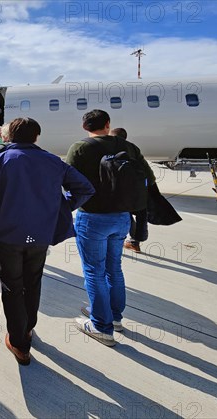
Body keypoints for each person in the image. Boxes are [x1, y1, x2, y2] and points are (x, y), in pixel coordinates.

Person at [0, 117, 94, 365]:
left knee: (12, 286)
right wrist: (60, 208)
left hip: (7, 236)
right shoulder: (52, 161)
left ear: (7, 137)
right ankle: (27, 328)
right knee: (33, 282)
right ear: (36, 136)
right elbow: (85, 188)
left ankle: (19, 342)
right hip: (39, 234)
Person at [66, 109, 154, 347]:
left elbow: (67, 181)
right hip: (122, 218)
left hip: (93, 217)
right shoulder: (129, 147)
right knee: (114, 269)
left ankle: (101, 326)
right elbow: (149, 177)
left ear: (85, 127)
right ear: (108, 124)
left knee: (94, 271)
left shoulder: (80, 148)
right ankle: (114, 318)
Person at [110, 127, 152, 253]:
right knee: (140, 213)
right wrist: (151, 183)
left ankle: (121, 242)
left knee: (124, 214)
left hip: (121, 188)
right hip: (138, 186)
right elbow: (145, 167)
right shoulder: (133, 147)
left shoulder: (111, 147)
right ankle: (135, 241)